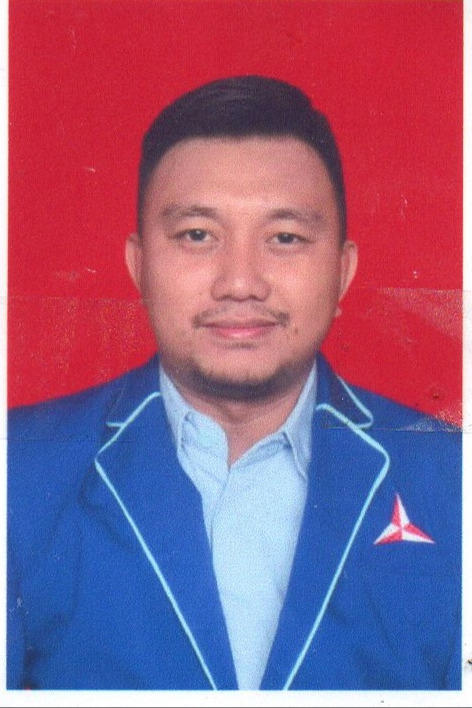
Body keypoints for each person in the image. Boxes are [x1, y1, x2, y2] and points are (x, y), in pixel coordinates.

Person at [7, 75, 461, 691]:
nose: (241, 282)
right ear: (139, 266)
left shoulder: (453, 480)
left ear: (342, 270)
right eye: (198, 235)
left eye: (285, 238)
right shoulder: (19, 471)